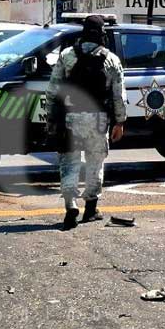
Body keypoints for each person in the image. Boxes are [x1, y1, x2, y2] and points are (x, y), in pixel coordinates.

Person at [45, 15, 126, 231]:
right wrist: (119, 122)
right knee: (95, 164)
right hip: (98, 120)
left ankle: (70, 204)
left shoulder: (67, 55)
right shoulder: (111, 59)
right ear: (102, 34)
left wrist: (51, 118)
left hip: (70, 119)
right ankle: (91, 209)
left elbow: (53, 91)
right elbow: (119, 95)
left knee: (69, 163)